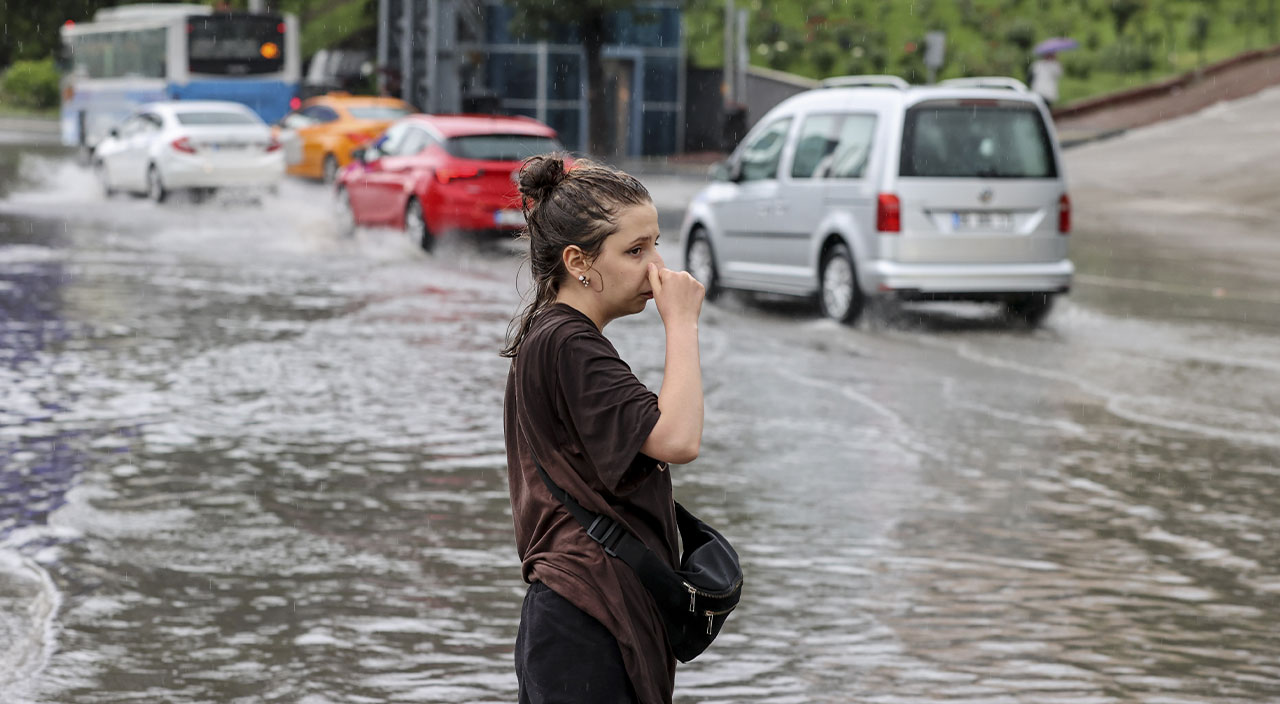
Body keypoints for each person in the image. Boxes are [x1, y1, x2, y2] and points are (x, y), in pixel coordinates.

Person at [501, 154, 706, 703]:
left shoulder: (556, 335)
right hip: (585, 617)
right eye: (635, 251)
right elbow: (679, 439)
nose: (657, 268)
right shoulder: (569, 343)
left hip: (584, 612)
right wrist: (682, 324)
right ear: (578, 261)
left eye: (656, 244)